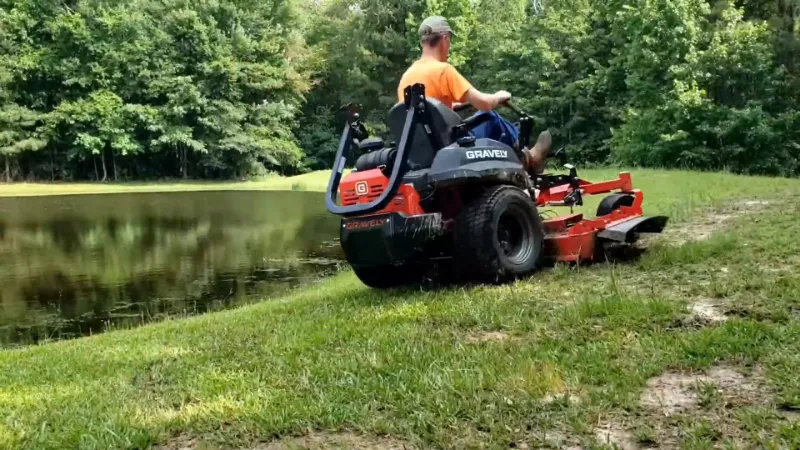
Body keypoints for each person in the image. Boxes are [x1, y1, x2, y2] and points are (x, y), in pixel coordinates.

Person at [396, 15, 552, 174]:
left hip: (424, 152)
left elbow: (429, 111)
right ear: (444, 38)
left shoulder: (407, 77)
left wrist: (457, 106)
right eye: (449, 40)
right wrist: (497, 97)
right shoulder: (443, 70)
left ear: (423, 41)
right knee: (489, 117)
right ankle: (528, 157)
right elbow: (484, 103)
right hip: (450, 146)